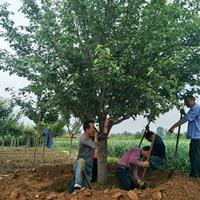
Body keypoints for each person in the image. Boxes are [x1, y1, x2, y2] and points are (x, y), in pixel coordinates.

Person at [68, 117, 109, 193]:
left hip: (88, 166)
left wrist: (106, 126)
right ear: (87, 130)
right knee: (78, 185)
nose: (94, 129)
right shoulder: (84, 138)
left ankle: (74, 191)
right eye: (92, 128)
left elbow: (104, 136)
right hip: (80, 166)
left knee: (85, 189)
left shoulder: (90, 137)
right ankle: (75, 189)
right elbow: (94, 145)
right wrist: (96, 138)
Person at [169, 94, 200, 178]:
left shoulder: (196, 108)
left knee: (195, 155)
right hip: (196, 137)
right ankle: (195, 173)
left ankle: (195, 174)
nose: (186, 104)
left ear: (193, 99)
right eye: (185, 102)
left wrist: (173, 126)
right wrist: (184, 113)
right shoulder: (194, 109)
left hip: (197, 137)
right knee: (194, 155)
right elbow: (190, 117)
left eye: (187, 101)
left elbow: (185, 119)